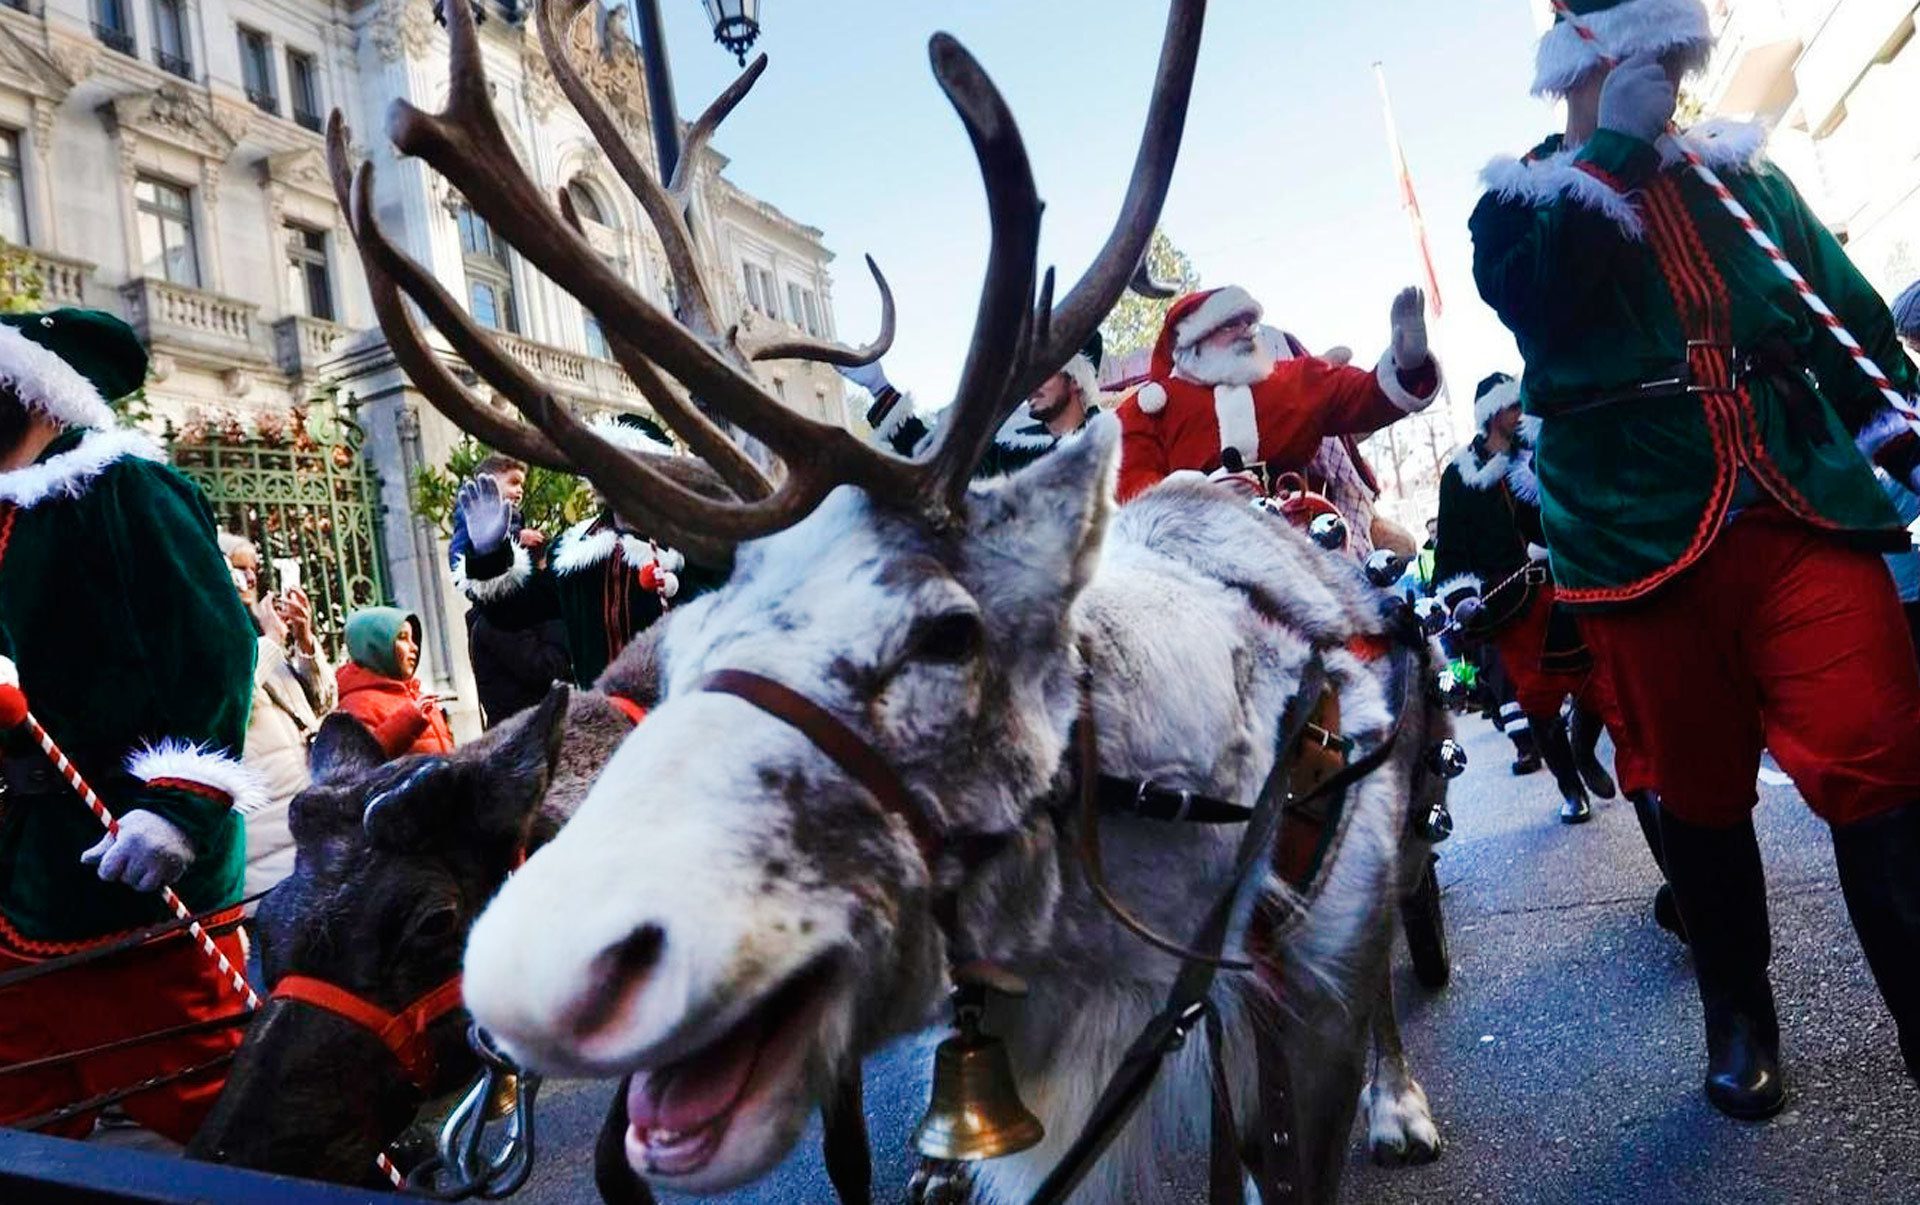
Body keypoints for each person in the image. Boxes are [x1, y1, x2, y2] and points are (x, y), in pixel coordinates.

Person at [1473, 0, 1920, 1119]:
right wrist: (1613, 151)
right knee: (1704, 791)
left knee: (1882, 755)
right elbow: (1533, 299)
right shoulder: (1518, 198)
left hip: (1797, 501)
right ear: (1583, 61)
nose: (1670, 81)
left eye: (1676, 64)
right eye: (1648, 61)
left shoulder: (1745, 181)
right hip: (1635, 535)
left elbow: (1837, 309)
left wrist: (1894, 420)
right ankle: (1738, 1008)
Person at [0, 308, 258, 1144]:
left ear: (34, 392)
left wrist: (179, 804)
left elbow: (215, 649)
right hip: (19, 874)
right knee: (26, 1129)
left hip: (123, 868)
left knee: (212, 1112)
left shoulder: (123, 489)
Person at [456, 416, 722, 688]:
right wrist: (489, 554)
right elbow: (511, 613)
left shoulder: (693, 543)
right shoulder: (574, 551)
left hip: (687, 712)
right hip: (603, 721)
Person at [1112, 284, 1441, 502]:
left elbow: (1363, 396)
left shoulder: (1295, 380)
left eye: (1248, 324)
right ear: (1192, 343)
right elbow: (1133, 486)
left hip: (1303, 543)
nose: (1245, 332)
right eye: (1231, 325)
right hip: (1200, 559)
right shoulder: (1151, 407)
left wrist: (1407, 365)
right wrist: (1193, 499)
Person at [219, 532, 334, 896]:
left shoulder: (259, 634)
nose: (252, 579)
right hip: (266, 839)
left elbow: (322, 702)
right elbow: (232, 701)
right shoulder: (214, 633)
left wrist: (304, 641)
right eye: (240, 569)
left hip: (306, 824)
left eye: (254, 569)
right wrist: (270, 641)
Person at [845, 332, 1107, 476]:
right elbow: (941, 463)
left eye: (1044, 372)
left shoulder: (1114, 447)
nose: (1030, 384)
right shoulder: (1008, 451)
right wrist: (878, 386)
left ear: (1076, 380)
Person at [447, 454, 571, 727]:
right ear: (490, 482)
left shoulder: (516, 518)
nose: (519, 491)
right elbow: (464, 567)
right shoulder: (471, 520)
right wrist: (510, 542)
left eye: (522, 486)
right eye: (513, 482)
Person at [335, 607, 454, 758]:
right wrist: (408, 720)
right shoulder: (356, 704)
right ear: (376, 645)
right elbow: (363, 763)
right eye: (403, 638)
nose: (414, 647)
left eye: (413, 639)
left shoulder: (415, 694)